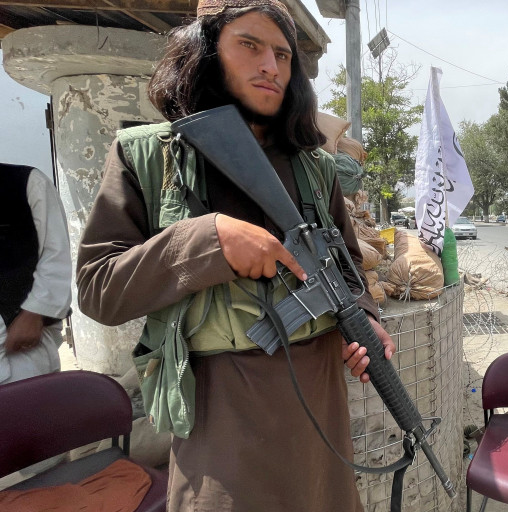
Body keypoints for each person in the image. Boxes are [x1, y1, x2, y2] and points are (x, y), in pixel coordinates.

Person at [75, 1, 395, 510]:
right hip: (221, 419)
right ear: (206, 52)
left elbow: (348, 266)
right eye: (249, 45)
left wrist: (366, 318)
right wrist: (205, 241)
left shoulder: (316, 167)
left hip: (320, 412)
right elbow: (98, 289)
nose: (271, 66)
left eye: (283, 54)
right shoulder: (148, 157)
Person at [0, 163, 72, 385]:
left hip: (19, 348)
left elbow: (55, 253)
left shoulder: (27, 182)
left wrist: (35, 312)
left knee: (29, 402)